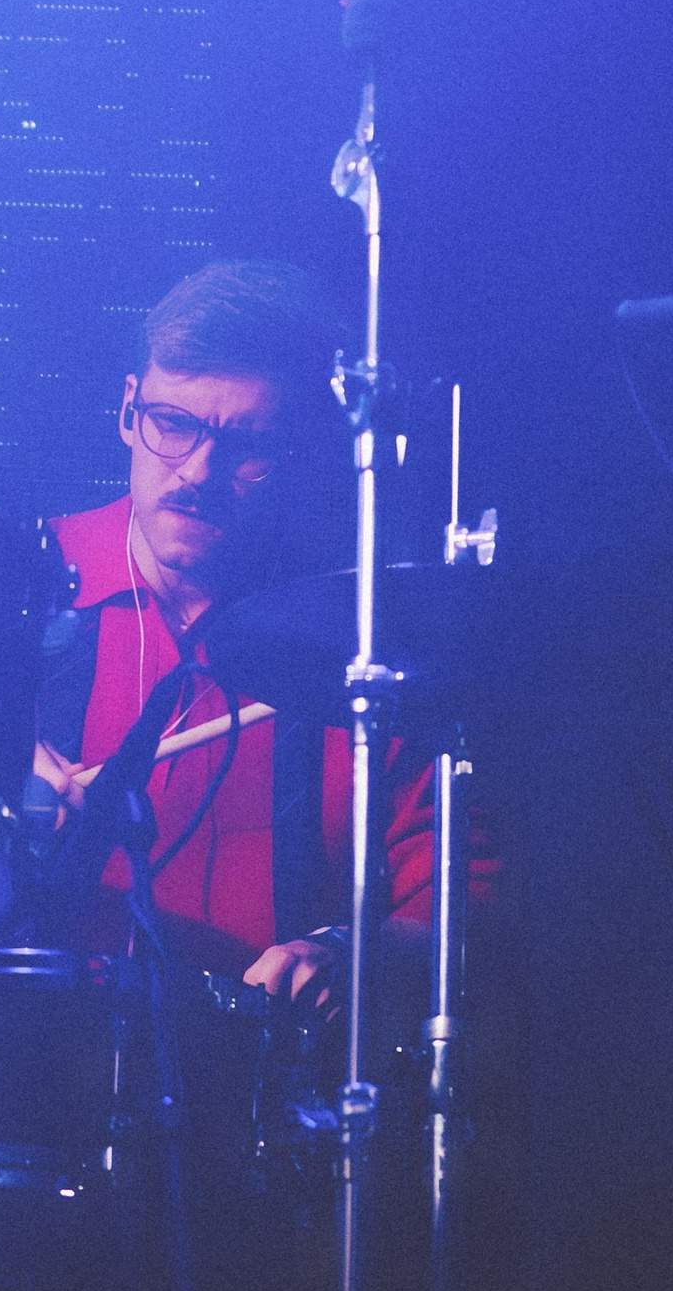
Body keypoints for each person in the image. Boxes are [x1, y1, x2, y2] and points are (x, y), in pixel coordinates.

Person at [30, 259, 491, 1000]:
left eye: (249, 447)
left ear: (304, 456)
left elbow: (460, 892)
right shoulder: (21, 584)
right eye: (173, 424)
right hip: (22, 1050)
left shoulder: (359, 639)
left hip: (269, 1063)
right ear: (128, 411)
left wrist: (351, 953)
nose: (197, 473)